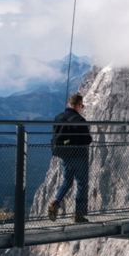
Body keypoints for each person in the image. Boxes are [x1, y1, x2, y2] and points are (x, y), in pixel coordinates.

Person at [49, 93, 92, 224]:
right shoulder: (80, 120)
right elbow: (87, 139)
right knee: (82, 184)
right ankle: (78, 215)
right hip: (79, 156)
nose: (81, 108)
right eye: (82, 106)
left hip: (65, 155)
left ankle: (56, 201)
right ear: (79, 105)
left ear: (69, 104)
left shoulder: (58, 117)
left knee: (67, 181)